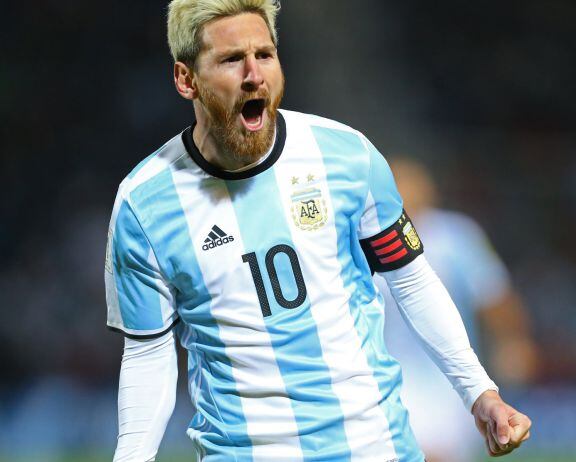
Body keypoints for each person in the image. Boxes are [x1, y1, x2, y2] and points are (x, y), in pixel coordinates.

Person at [104, 1, 531, 460]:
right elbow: (149, 353)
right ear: (186, 78)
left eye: (264, 54)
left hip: (374, 447)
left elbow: (410, 280)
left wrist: (478, 390)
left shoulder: (348, 157)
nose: (254, 75)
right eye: (231, 60)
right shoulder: (143, 205)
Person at [377, 158, 539, 461]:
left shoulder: (456, 237)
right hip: (386, 378)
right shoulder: (365, 240)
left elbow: (494, 296)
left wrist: (514, 341)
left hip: (446, 382)